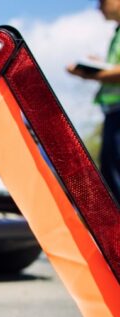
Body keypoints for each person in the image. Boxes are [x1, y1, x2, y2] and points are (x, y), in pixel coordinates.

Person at [68, 0, 120, 201]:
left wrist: (93, 74)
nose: (98, 7)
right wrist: (99, 66)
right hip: (113, 112)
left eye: (102, 1)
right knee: (110, 170)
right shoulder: (116, 34)